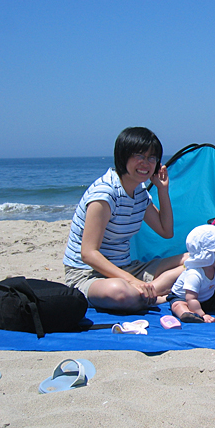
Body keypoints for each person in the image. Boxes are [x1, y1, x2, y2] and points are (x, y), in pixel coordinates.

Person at [64, 127, 188, 312]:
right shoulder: (105, 193)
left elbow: (166, 231)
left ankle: (150, 292)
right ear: (123, 156)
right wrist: (132, 281)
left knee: (195, 260)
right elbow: (88, 254)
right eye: (139, 156)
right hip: (89, 274)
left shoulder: (138, 192)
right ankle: (153, 292)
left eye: (151, 158)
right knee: (122, 293)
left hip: (126, 267)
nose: (145, 163)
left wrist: (162, 189)